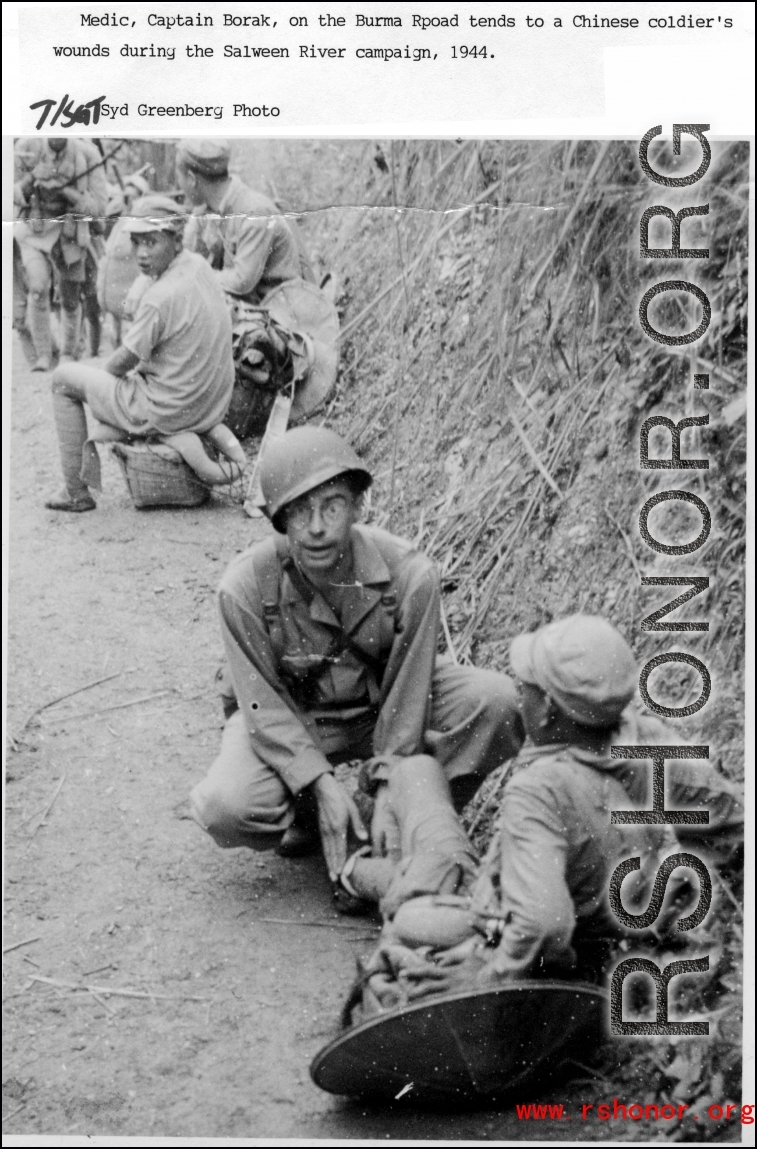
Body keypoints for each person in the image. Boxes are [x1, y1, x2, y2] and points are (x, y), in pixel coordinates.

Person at [189, 426, 523, 902]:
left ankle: (404, 815)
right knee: (227, 805)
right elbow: (261, 707)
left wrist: (391, 780)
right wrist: (318, 786)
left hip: (381, 708)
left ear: (357, 507)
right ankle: (311, 812)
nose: (318, 527)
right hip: (295, 720)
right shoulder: (243, 588)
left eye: (333, 505)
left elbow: (410, 691)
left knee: (496, 702)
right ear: (279, 519)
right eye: (300, 512)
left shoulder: (410, 574)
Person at [353, 615, 743, 1012]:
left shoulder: (541, 791)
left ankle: (354, 875)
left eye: (525, 686)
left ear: (548, 710)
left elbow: (544, 923)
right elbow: (733, 820)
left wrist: (491, 973)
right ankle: (370, 874)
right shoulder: (648, 743)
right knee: (416, 777)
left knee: (411, 907)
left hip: (534, 945)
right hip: (608, 942)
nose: (518, 694)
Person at [45, 194, 234, 512]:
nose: (142, 254)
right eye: (137, 242)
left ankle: (76, 493)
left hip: (170, 408)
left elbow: (121, 362)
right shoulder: (198, 266)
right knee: (95, 376)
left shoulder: (159, 297)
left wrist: (101, 385)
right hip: (209, 404)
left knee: (64, 379)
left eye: (152, 243)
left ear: (175, 241)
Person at [176, 138, 314, 304]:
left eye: (178, 177)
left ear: (191, 179)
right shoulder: (209, 210)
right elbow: (185, 259)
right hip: (250, 308)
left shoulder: (254, 212)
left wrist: (193, 275)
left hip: (281, 313)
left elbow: (241, 282)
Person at [14, 136, 108, 371]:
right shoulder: (26, 149)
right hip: (34, 228)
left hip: (71, 230)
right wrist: (33, 179)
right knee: (37, 287)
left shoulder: (88, 154)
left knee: (70, 294)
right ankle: (44, 355)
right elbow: (10, 195)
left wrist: (67, 191)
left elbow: (98, 208)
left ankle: (67, 353)